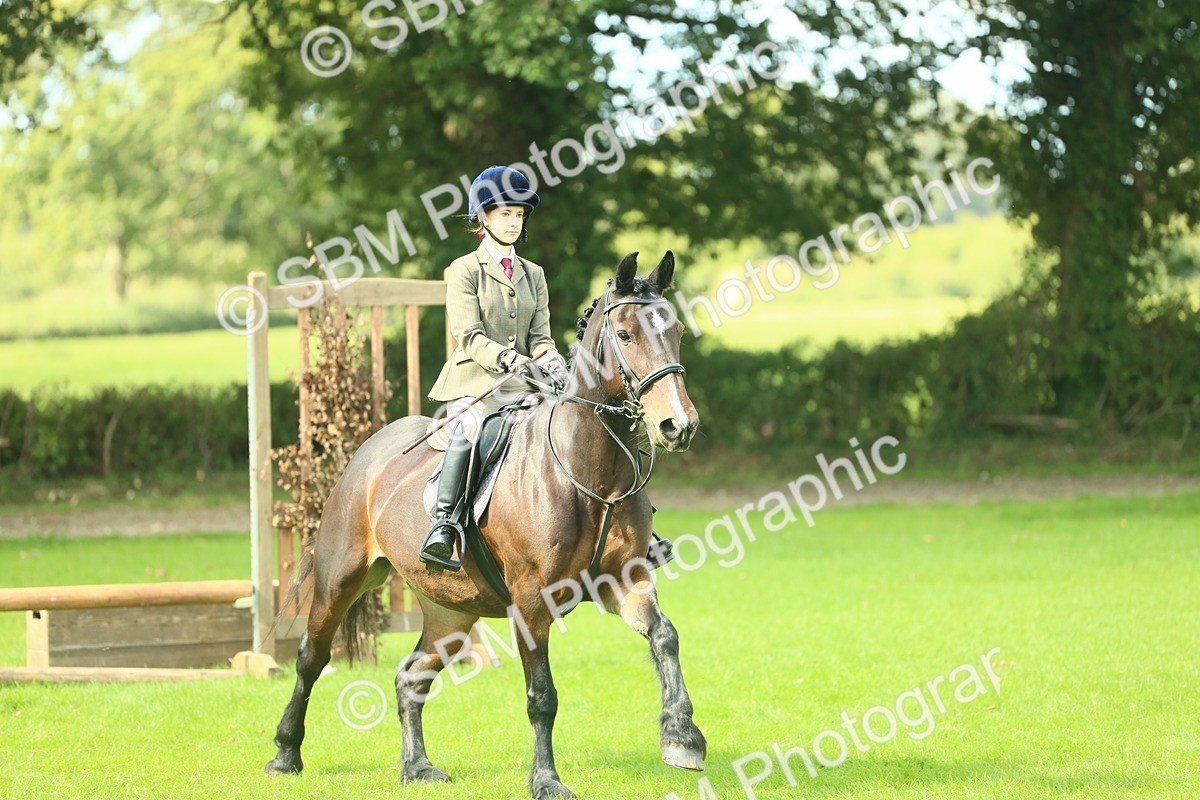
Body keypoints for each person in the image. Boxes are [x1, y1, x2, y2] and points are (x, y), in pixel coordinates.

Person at [419, 165, 673, 572]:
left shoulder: (533, 274)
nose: (514, 223)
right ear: (482, 218)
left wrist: (550, 358)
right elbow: (468, 335)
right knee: (468, 429)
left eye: (519, 215)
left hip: (526, 384)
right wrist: (508, 359)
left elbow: (540, 336)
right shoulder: (465, 270)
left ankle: (641, 529)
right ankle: (446, 525)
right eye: (505, 214)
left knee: (590, 422)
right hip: (476, 380)